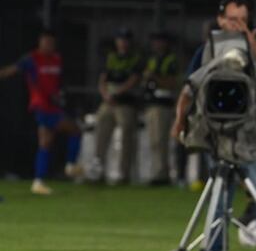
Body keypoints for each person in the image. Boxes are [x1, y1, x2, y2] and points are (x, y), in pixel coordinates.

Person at [171, 0, 256, 251]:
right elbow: (189, 89)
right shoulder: (207, 50)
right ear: (220, 20)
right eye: (232, 19)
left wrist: (251, 41)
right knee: (218, 199)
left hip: (254, 133)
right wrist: (179, 122)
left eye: (243, 20)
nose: (237, 25)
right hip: (218, 132)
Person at [0, 29, 82, 195]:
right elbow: (12, 70)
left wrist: (59, 94)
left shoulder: (57, 59)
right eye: (45, 41)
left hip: (53, 106)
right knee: (75, 130)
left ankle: (38, 182)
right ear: (40, 42)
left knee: (45, 143)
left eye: (51, 42)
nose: (48, 45)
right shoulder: (31, 59)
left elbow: (57, 82)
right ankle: (71, 165)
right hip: (42, 106)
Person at [94, 28, 143, 184]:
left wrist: (117, 92)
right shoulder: (111, 58)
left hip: (125, 102)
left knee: (126, 136)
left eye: (126, 40)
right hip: (109, 101)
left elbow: (134, 79)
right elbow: (102, 79)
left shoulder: (135, 58)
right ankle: (97, 171)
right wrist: (106, 94)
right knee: (101, 133)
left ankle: (123, 174)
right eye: (120, 39)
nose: (123, 43)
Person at [143, 31, 179, 185]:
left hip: (163, 105)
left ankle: (162, 174)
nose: (156, 44)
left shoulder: (171, 60)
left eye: (160, 41)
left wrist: (154, 78)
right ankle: (156, 172)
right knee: (153, 141)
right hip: (151, 103)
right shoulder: (152, 59)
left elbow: (172, 83)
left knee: (160, 141)